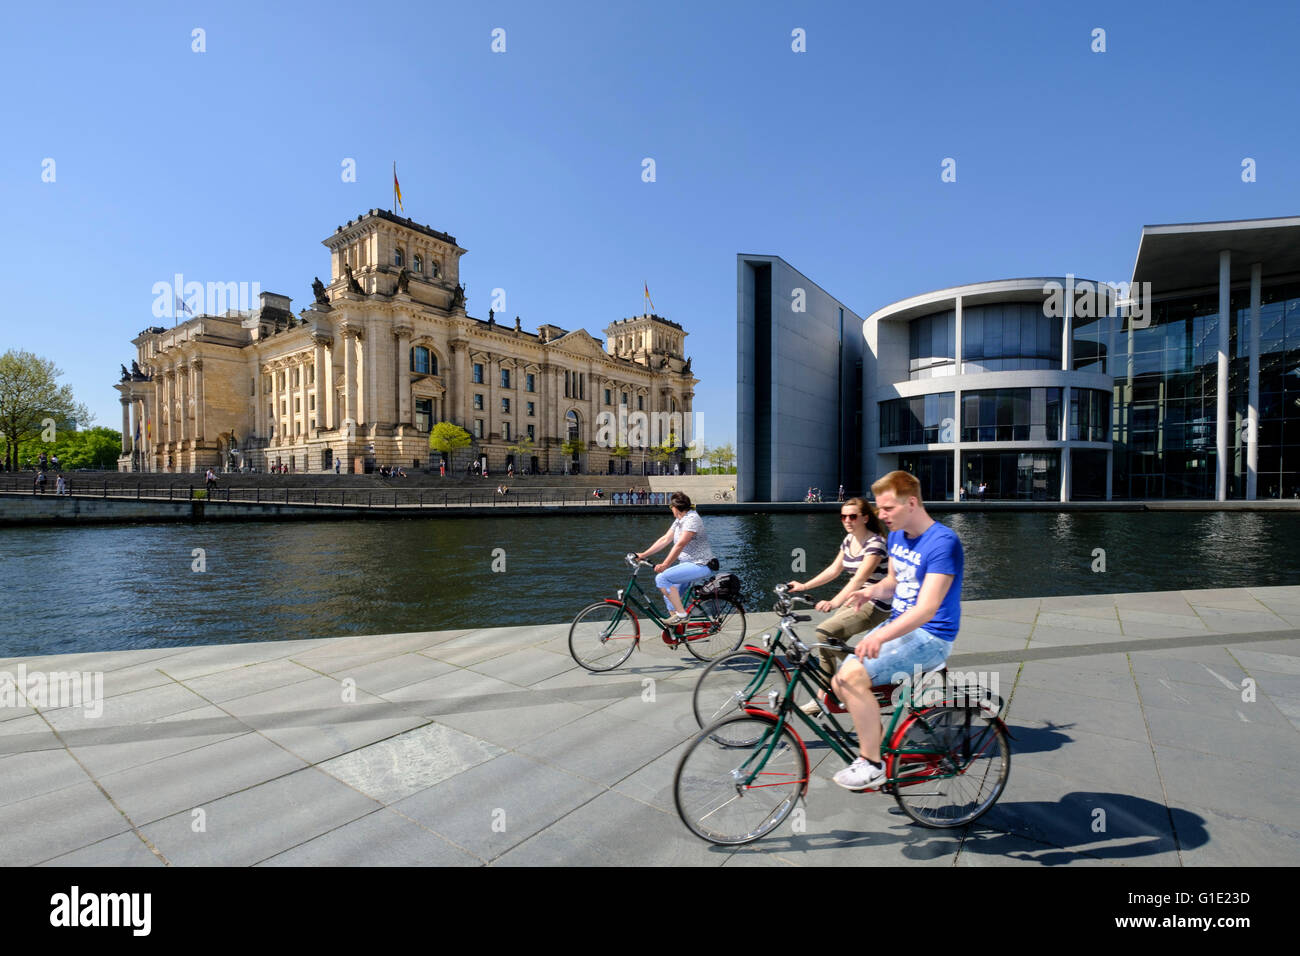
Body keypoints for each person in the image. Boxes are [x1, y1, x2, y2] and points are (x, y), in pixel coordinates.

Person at [829, 470, 964, 791]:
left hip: (932, 635)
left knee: (850, 679)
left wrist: (879, 635)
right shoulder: (897, 536)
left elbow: (927, 608)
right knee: (838, 683)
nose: (881, 515)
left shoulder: (943, 543)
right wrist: (869, 592)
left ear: (912, 502)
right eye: (878, 508)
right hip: (902, 627)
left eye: (888, 508)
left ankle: (872, 764)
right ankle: (881, 745)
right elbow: (893, 582)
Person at [787, 498, 891, 716]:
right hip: (856, 598)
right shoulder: (849, 540)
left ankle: (856, 679)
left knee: (825, 634)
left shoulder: (876, 543)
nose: (847, 520)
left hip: (877, 603)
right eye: (843, 516)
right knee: (827, 639)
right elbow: (834, 570)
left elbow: (858, 579)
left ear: (865, 517)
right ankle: (831, 693)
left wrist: (834, 602)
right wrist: (804, 585)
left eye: (852, 516)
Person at [635, 492, 716, 625]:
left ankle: (682, 616)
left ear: (675, 507)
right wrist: (643, 555)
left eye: (670, 506)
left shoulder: (692, 519)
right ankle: (677, 632)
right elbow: (665, 539)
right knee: (669, 596)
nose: (670, 509)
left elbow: (680, 544)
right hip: (687, 564)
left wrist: (665, 564)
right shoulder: (679, 520)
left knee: (662, 578)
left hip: (701, 564)